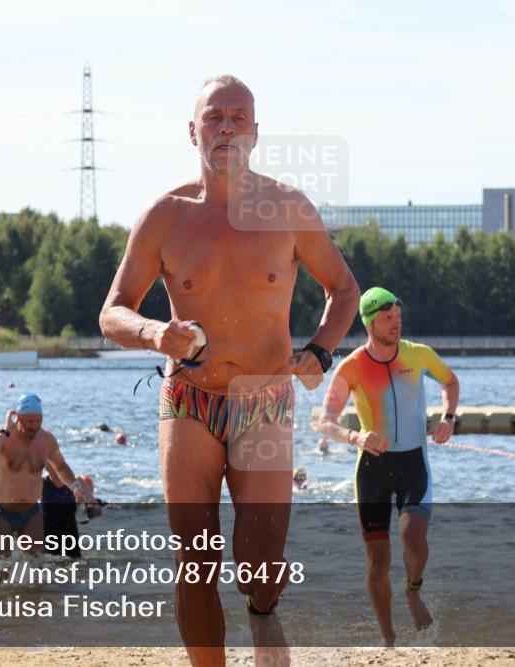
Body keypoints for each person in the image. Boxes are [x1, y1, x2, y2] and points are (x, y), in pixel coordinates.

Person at [98, 75, 359, 667]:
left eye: (239, 118)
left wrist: (319, 350)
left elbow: (344, 290)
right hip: (189, 398)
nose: (226, 128)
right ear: (193, 131)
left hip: (264, 402)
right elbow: (112, 311)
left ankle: (264, 613)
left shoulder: (288, 208)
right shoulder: (164, 216)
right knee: (195, 560)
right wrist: (154, 333)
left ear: (256, 133)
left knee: (260, 563)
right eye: (214, 118)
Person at [314, 287, 459, 647]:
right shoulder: (351, 367)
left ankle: (413, 590)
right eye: (387, 319)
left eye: (398, 317)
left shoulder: (418, 354)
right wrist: (355, 437)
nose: (396, 324)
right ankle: (389, 638)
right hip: (372, 469)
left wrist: (448, 419)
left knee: (413, 535)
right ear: (369, 322)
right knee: (378, 560)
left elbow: (450, 382)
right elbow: (324, 421)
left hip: (413, 464)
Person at [0, 394, 89, 560]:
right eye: (29, 421)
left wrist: (74, 485)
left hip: (31, 513)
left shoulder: (46, 440)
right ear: (18, 418)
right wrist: (5, 431)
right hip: (0, 511)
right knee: (2, 569)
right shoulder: (1, 435)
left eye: (38, 421)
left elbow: (61, 467)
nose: (34, 426)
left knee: (36, 572)